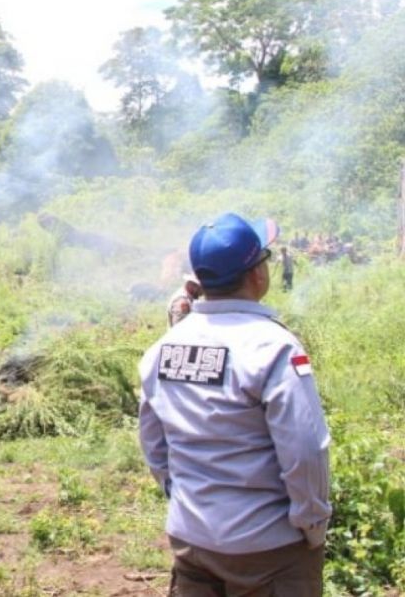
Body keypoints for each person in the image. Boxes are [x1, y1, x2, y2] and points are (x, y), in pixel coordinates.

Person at [138, 213, 330, 596]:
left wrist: (182, 498)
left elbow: (153, 444)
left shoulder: (163, 350)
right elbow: (305, 450)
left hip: (192, 541)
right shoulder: (273, 348)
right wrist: (311, 525)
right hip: (270, 550)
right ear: (257, 275)